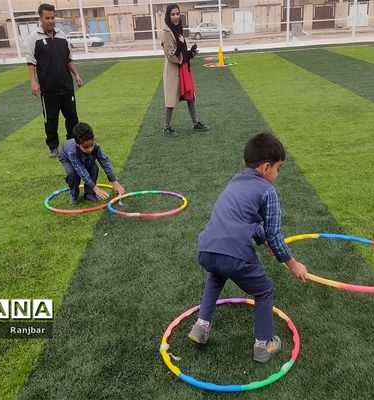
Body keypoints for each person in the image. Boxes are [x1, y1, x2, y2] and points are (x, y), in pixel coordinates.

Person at [189, 132, 308, 363]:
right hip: (236, 254)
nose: (277, 174)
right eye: (279, 169)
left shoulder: (235, 182)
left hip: (206, 248)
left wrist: (264, 242)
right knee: (263, 291)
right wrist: (292, 264)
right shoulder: (267, 191)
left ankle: (201, 327)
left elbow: (244, 220)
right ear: (266, 168)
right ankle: (264, 344)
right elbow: (274, 233)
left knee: (216, 277)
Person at [26, 3, 84, 158]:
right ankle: (53, 147)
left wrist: (76, 75)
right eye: (47, 18)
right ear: (41, 19)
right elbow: (31, 62)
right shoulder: (34, 38)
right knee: (50, 120)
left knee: (72, 117)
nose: (50, 21)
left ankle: (72, 143)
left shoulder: (62, 35)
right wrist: (33, 81)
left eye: (52, 17)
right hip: (48, 89)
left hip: (66, 86)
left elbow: (68, 58)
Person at [161, 4, 209, 137]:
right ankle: (166, 128)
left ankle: (195, 122)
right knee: (170, 99)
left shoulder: (177, 30)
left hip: (183, 68)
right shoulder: (167, 32)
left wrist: (190, 53)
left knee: (190, 95)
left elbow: (181, 53)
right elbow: (170, 55)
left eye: (177, 14)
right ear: (168, 16)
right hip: (173, 69)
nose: (176, 17)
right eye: (172, 14)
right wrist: (182, 46)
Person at [59, 122, 125, 204]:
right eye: (86, 147)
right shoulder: (72, 151)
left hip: (83, 156)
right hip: (67, 158)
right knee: (72, 173)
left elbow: (104, 162)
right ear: (78, 145)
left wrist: (114, 182)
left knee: (94, 168)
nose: (90, 149)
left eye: (91, 145)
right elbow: (80, 170)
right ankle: (74, 194)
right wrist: (96, 188)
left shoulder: (96, 147)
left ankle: (89, 194)